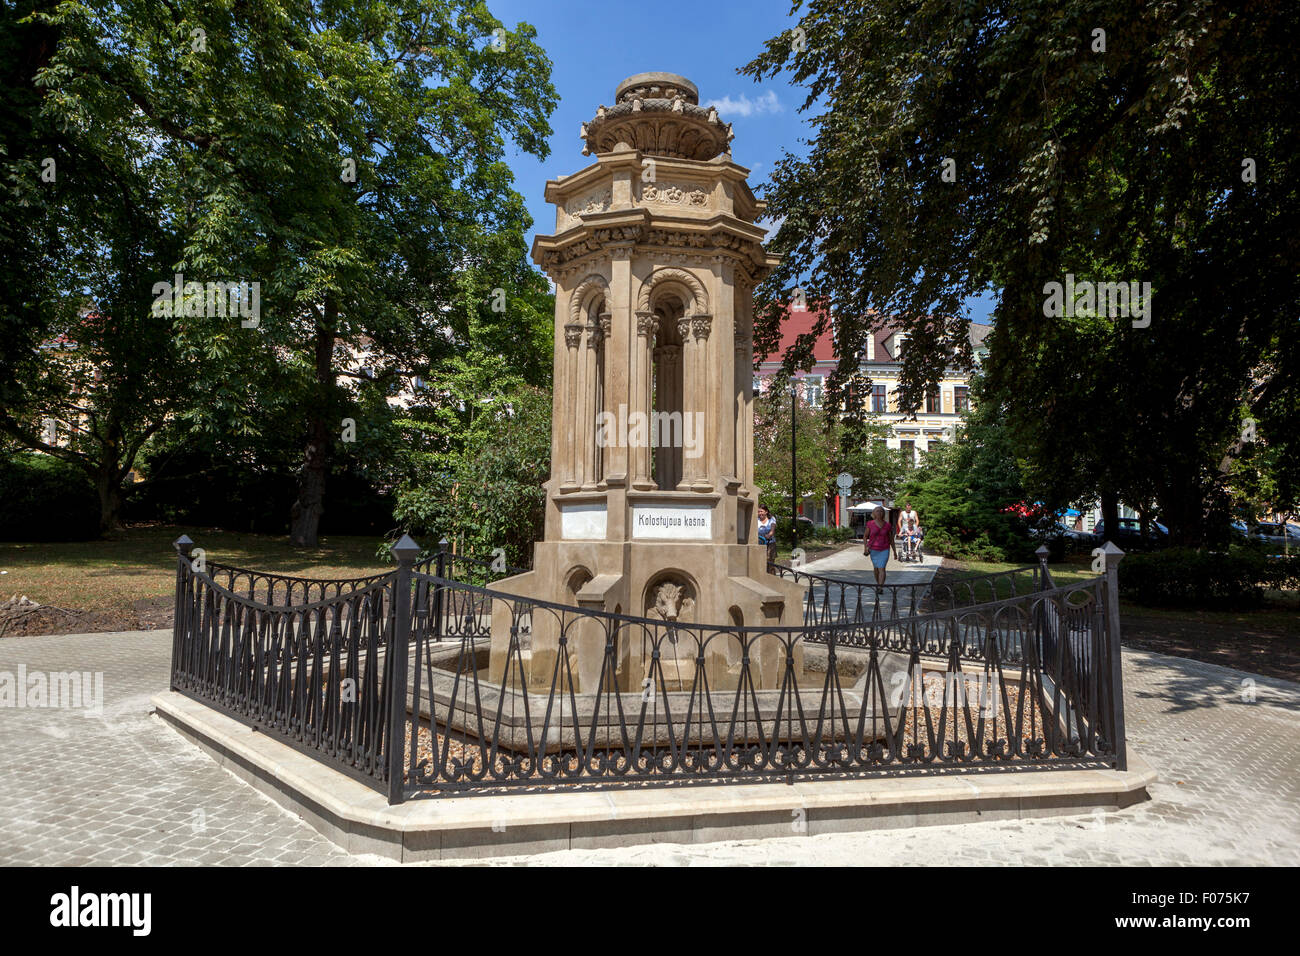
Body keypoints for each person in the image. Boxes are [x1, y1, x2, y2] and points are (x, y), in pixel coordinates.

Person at [864, 506, 895, 584]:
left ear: (883, 513)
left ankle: (880, 587)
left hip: (884, 549)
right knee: (876, 568)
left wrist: (894, 551)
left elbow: (891, 539)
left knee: (882, 568)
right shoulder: (870, 524)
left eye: (881, 511)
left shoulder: (888, 525)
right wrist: (865, 548)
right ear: (874, 513)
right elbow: (865, 536)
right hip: (873, 549)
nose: (879, 513)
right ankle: (878, 584)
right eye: (877, 511)